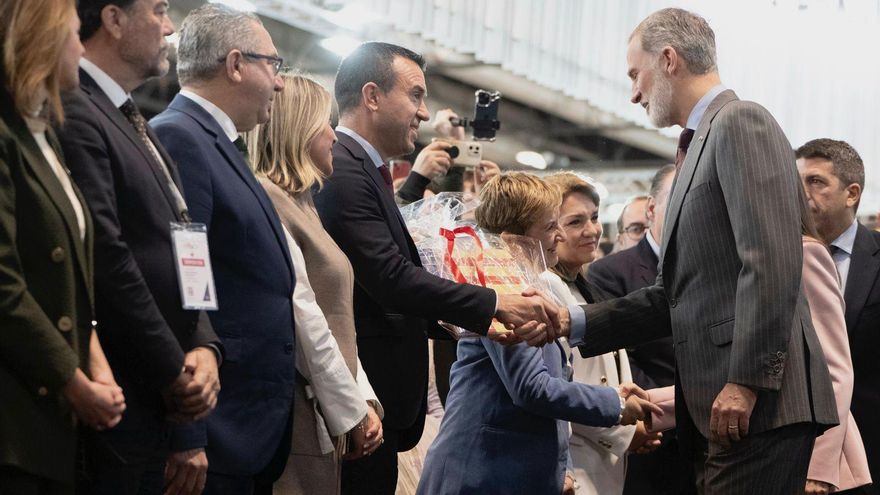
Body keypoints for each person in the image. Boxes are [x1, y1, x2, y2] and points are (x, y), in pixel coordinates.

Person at [549, 8, 837, 493]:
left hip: (759, 405)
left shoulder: (740, 121)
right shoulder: (699, 143)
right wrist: (569, 322)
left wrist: (746, 382)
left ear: (668, 60)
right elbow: (674, 296)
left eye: (635, 74)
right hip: (724, 408)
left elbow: (771, 262)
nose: (634, 93)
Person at [312, 41, 560, 493]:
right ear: (372, 96)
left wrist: (467, 325)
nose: (424, 113)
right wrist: (493, 304)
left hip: (382, 407)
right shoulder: (344, 170)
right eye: (415, 95)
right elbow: (389, 279)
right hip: (363, 404)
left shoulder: (363, 170)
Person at [55, 1, 222, 493]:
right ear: (113, 19)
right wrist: (173, 369)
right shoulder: (77, 109)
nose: (170, 28)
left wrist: (205, 344)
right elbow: (107, 257)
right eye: (158, 10)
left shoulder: (130, 117)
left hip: (159, 394)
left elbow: (184, 241)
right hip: (123, 393)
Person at [417, 172, 661, 495]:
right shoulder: (504, 289)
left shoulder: (526, 284)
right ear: (513, 239)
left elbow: (551, 386)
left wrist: (563, 468)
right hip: (481, 474)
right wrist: (614, 403)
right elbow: (531, 388)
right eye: (549, 227)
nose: (559, 235)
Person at [150, 4, 295, 493]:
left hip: (243, 425)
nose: (280, 83)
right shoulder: (181, 136)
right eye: (273, 65)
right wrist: (187, 430)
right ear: (235, 64)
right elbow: (181, 284)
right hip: (216, 426)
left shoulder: (215, 140)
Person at [0, 1, 126, 492]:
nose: (82, 48)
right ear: (44, 40)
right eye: (74, 34)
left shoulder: (43, 136)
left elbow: (70, 274)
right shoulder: (6, 134)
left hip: (52, 417)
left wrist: (95, 364)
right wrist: (73, 381)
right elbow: (4, 284)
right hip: (15, 420)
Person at [247, 73, 385, 494]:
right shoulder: (270, 200)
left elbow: (335, 318)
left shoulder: (303, 205)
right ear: (300, 129)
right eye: (326, 122)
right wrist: (351, 408)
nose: (333, 135)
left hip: (322, 408)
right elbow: (304, 315)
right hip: (296, 410)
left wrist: (361, 397)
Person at [544, 172, 661, 495]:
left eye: (594, 218)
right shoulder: (547, 286)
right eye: (576, 222)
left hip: (601, 458)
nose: (592, 230)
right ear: (549, 228)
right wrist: (625, 429)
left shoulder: (583, 284)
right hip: (577, 460)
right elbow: (561, 387)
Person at [586, 165, 690, 495]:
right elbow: (620, 360)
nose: (687, 209)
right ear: (652, 209)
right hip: (648, 437)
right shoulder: (610, 272)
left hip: (707, 441)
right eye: (678, 199)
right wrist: (671, 410)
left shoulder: (715, 267)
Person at [796, 138, 878, 494]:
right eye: (797, 182)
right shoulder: (776, 261)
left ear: (851, 194)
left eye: (815, 181)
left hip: (872, 451)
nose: (802, 193)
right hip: (794, 453)